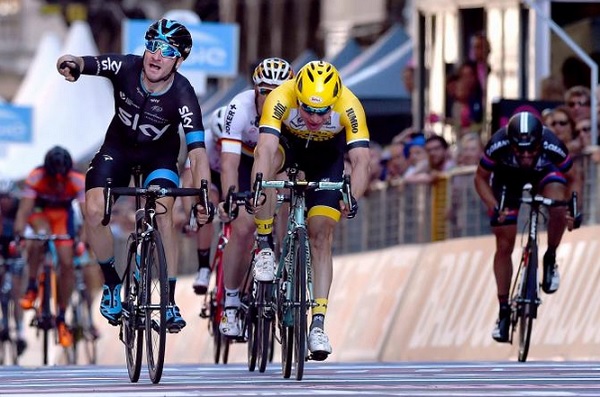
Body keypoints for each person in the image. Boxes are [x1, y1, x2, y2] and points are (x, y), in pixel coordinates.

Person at [56, 18, 213, 332]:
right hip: (118, 150)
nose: (156, 56)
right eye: (152, 46)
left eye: (167, 51)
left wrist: (203, 195)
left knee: (165, 211)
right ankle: (112, 284)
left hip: (160, 157)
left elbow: (197, 153)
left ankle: (167, 300)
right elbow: (85, 62)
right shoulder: (127, 67)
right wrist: (69, 64)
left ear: (179, 61)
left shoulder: (184, 93)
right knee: (94, 209)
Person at [249, 60, 370, 360]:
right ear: (297, 97)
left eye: (322, 111)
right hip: (287, 150)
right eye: (307, 110)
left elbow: (362, 162)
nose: (315, 118)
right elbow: (264, 148)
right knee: (268, 166)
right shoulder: (281, 97)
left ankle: (317, 324)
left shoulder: (350, 105)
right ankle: (264, 244)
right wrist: (260, 188)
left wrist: (352, 196)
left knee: (320, 235)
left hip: (326, 160)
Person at [474, 111, 582, 343]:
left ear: (540, 142)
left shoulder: (552, 144)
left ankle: (550, 257)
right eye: (519, 150)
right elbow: (480, 178)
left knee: (557, 203)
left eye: (530, 150)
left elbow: (574, 177)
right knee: (504, 243)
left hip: (544, 173)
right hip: (507, 179)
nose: (524, 155)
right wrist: (494, 207)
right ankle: (504, 310)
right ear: (510, 143)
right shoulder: (498, 144)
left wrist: (573, 210)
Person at [216, 57, 294, 336]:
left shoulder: (295, 110)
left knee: (286, 194)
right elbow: (228, 164)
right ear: (254, 89)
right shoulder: (239, 107)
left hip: (279, 160)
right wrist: (229, 198)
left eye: (279, 91)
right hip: (246, 161)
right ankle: (232, 303)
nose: (271, 97)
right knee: (242, 226)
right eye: (265, 91)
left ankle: (286, 258)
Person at [14, 146, 85, 348]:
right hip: (40, 214)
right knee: (38, 238)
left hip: (62, 217)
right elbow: (24, 210)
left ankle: (62, 317)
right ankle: (31, 286)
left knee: (67, 262)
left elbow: (86, 214)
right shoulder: (36, 177)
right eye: (54, 177)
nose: (58, 181)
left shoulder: (77, 179)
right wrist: (19, 232)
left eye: (62, 177)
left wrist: (84, 239)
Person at [180, 106, 226, 295]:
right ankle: (204, 268)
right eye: (218, 143)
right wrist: (190, 215)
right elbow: (187, 182)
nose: (221, 148)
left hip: (235, 175)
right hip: (212, 179)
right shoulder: (203, 141)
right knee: (206, 207)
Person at [0, 180, 27, 355]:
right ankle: (3, 322)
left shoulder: (19, 208)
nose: (4, 201)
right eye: (1, 198)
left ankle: (20, 331)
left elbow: (27, 231)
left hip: (16, 249)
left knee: (16, 293)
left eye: (8, 197)